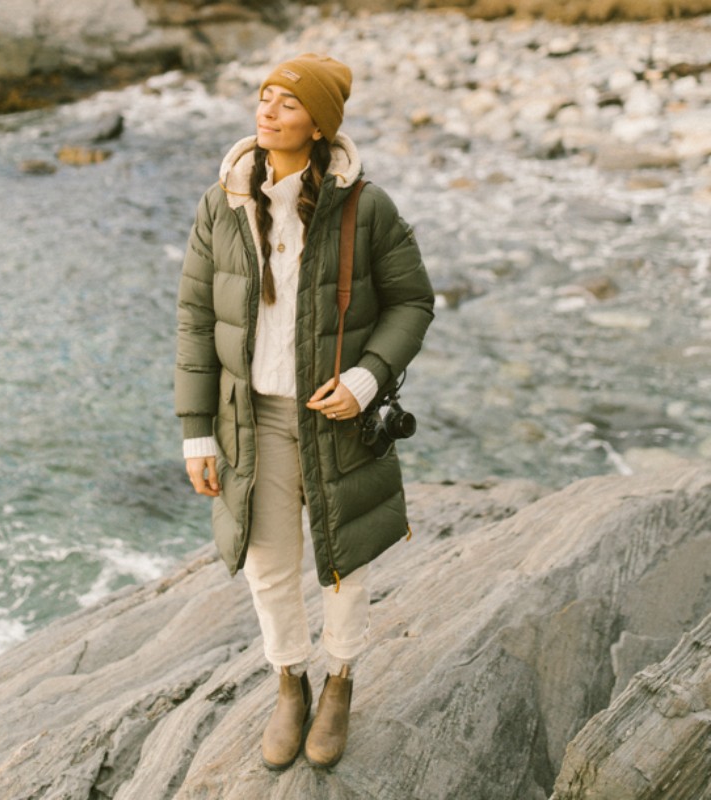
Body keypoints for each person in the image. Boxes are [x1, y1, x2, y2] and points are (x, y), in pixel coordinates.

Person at [174, 53, 434, 770]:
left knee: (343, 560)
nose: (268, 111)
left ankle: (340, 681)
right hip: (249, 419)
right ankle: (290, 683)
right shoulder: (220, 203)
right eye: (264, 97)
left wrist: (368, 376)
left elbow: (414, 301)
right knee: (266, 563)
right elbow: (196, 324)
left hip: (338, 417)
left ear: (318, 125)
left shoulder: (365, 206)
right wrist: (197, 432)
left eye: (288, 103)